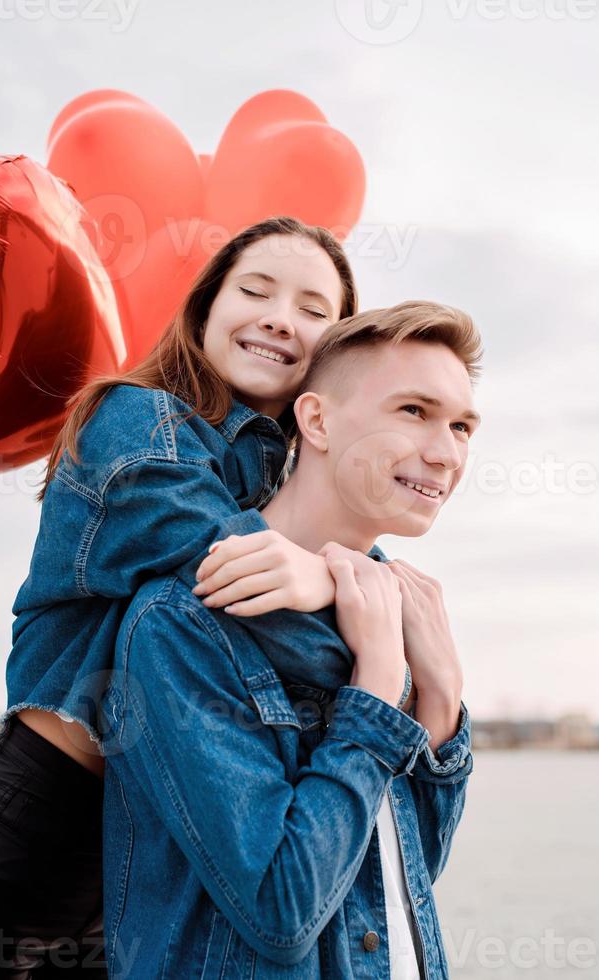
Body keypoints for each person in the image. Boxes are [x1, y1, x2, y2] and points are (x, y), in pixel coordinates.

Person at [0, 216, 360, 978]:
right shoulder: (136, 421)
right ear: (206, 308)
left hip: (143, 851)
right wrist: (346, 598)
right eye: (255, 290)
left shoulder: (291, 475)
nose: (282, 315)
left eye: (315, 309)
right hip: (30, 826)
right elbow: (238, 592)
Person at [101, 300, 483, 979]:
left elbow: (399, 877)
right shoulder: (187, 621)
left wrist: (442, 698)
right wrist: (375, 685)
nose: (446, 452)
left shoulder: (398, 615)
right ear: (316, 420)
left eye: (461, 425)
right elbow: (283, 911)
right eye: (413, 411)